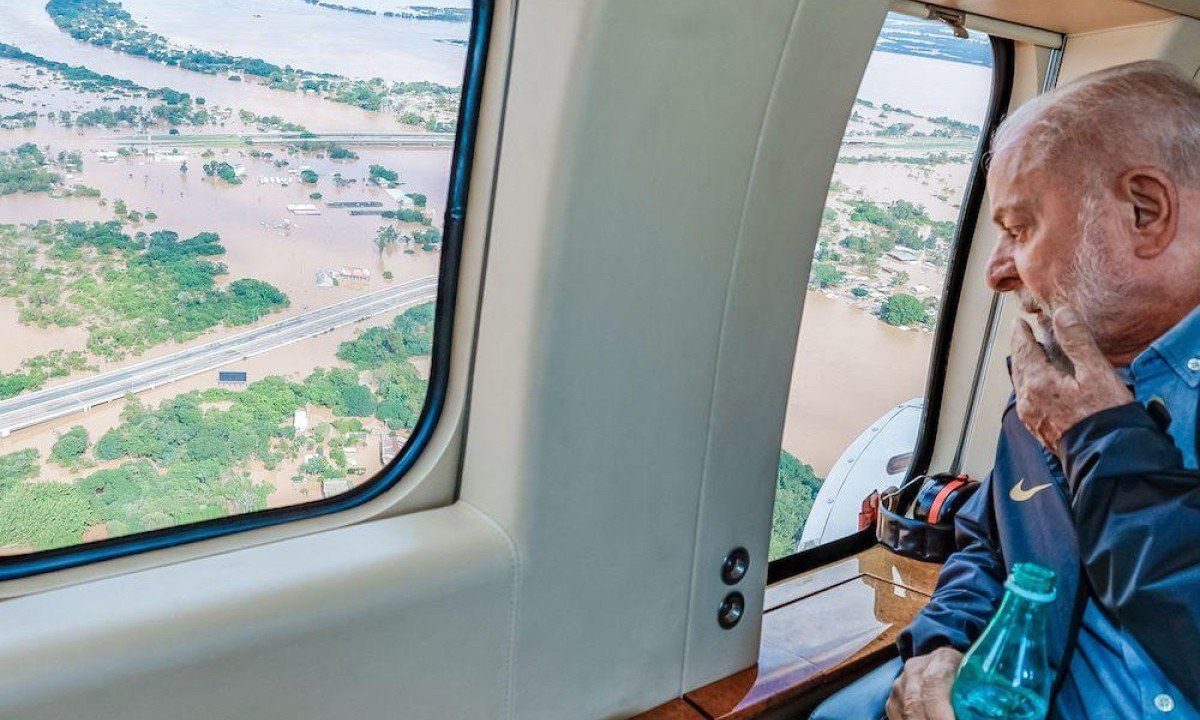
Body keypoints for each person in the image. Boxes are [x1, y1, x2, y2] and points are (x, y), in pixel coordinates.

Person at [816, 61, 1200, 720]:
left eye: (1019, 228)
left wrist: (1101, 439)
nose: (997, 271)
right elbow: (991, 546)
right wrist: (940, 645)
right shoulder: (1054, 389)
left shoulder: (1074, 410)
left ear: (1146, 211)